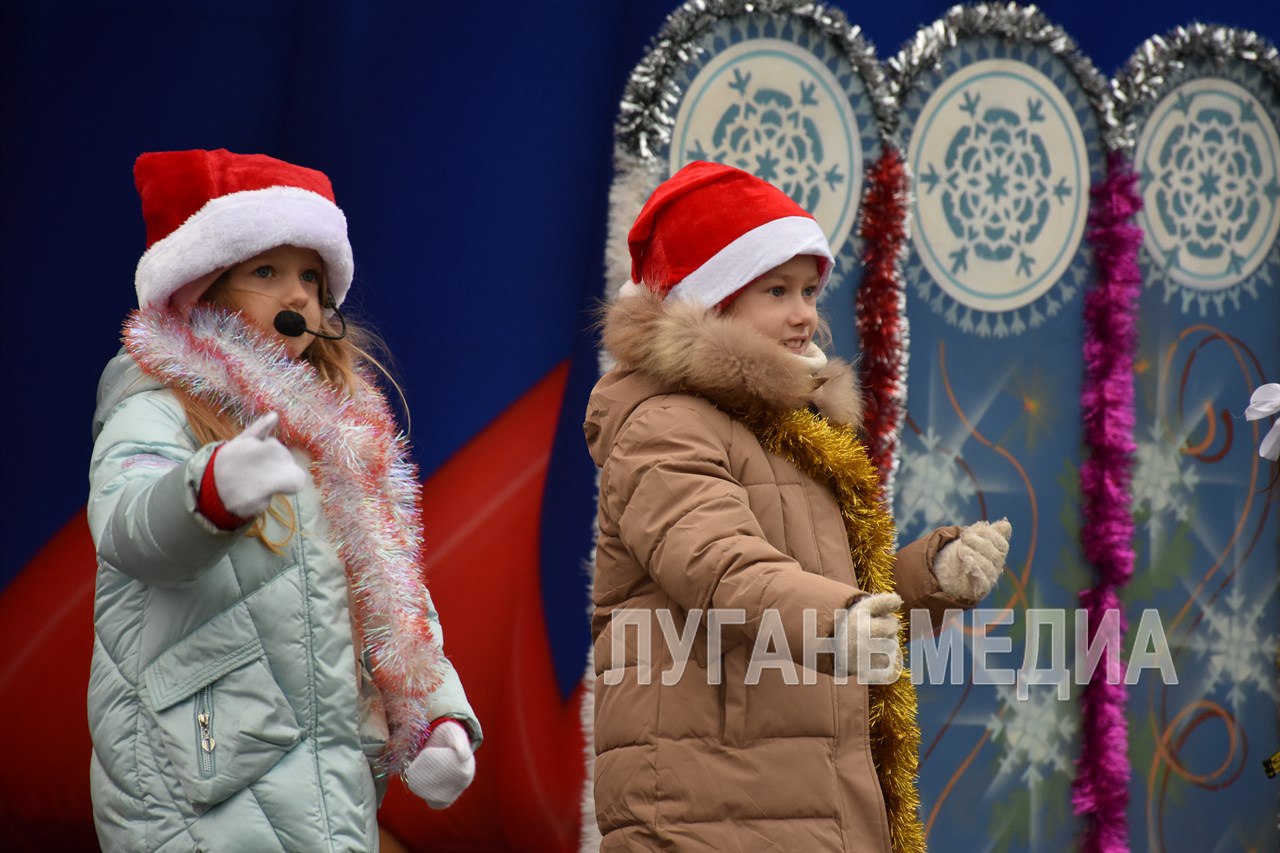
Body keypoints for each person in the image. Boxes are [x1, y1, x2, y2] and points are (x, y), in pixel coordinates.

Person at [584, 161, 1010, 851]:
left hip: (804, 803)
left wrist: (930, 579)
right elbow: (722, 566)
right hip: (708, 810)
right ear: (710, 303)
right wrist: (840, 620)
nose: (804, 312)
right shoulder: (663, 425)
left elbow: (834, 604)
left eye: (810, 289)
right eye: (776, 289)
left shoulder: (795, 430)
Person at [88, 149, 481, 850]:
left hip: (329, 787)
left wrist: (433, 716)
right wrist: (206, 493)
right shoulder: (154, 404)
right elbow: (124, 524)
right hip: (197, 785)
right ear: (200, 288)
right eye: (265, 271)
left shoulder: (340, 424)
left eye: (310, 275)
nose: (297, 293)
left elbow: (390, 596)